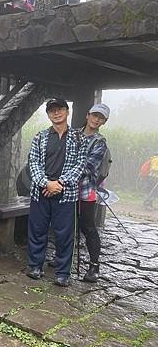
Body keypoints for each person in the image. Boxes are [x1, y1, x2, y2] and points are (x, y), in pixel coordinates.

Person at [26, 98, 86, 287]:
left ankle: (62, 273)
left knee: (64, 234)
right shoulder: (40, 137)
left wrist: (59, 183)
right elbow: (33, 163)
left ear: (67, 111)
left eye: (60, 109)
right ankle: (35, 266)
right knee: (37, 230)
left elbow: (81, 164)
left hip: (65, 193)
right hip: (41, 192)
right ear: (48, 114)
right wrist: (46, 183)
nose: (56, 113)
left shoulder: (79, 137)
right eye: (52, 110)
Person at [78, 103, 110, 283]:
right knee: (66, 224)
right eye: (95, 115)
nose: (96, 119)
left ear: (104, 122)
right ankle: (62, 257)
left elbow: (89, 166)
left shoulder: (100, 142)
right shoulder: (73, 134)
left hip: (86, 189)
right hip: (66, 189)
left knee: (87, 226)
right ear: (87, 115)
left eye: (101, 118)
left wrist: (66, 172)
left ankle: (94, 265)